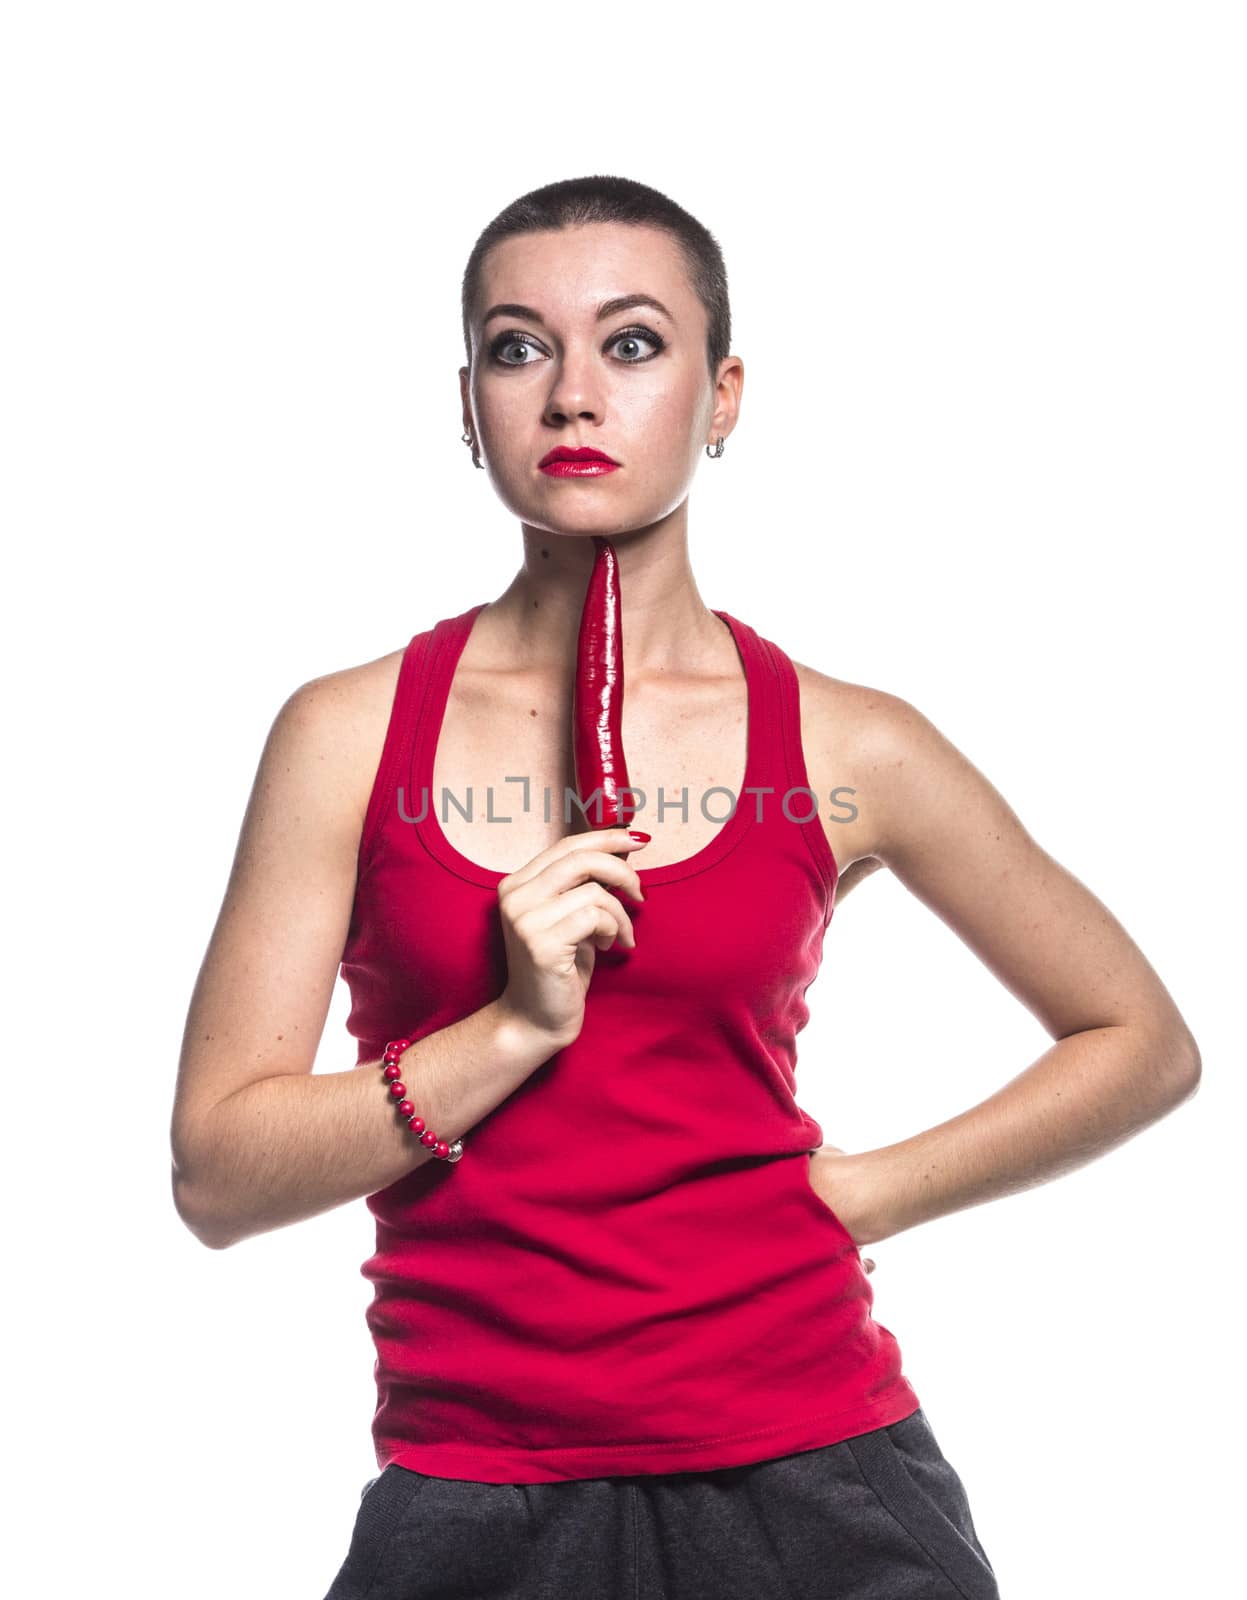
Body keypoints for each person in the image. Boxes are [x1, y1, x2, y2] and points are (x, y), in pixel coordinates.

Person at [170, 174, 1201, 1599]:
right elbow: (218, 1174)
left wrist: (858, 1195)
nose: (574, 396)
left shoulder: (851, 743)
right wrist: (511, 1031)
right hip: (477, 1495)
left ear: (723, 397)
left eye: (634, 344)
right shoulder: (345, 736)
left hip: (821, 1480)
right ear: (466, 403)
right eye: (520, 348)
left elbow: (1141, 1041)